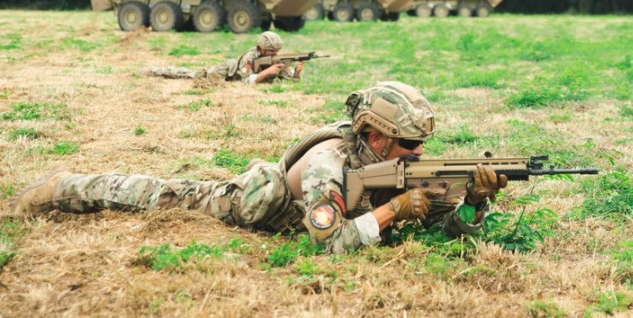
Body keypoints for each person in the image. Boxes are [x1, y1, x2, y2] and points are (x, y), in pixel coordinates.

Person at [11, 82, 507, 254]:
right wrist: (392, 211)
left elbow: (450, 234)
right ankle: (61, 187)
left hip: (304, 212)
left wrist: (474, 204)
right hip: (249, 205)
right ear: (375, 135)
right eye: (408, 144)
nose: (418, 155)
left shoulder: (390, 162)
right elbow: (328, 244)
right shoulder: (327, 163)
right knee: (149, 192)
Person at [148, 31, 304, 84]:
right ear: (262, 49)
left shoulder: (276, 59)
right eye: (271, 52)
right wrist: (267, 72)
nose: (275, 55)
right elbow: (244, 81)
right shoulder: (250, 57)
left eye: (276, 52)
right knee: (192, 75)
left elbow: (291, 81)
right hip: (225, 73)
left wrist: (296, 73)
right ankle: (156, 71)